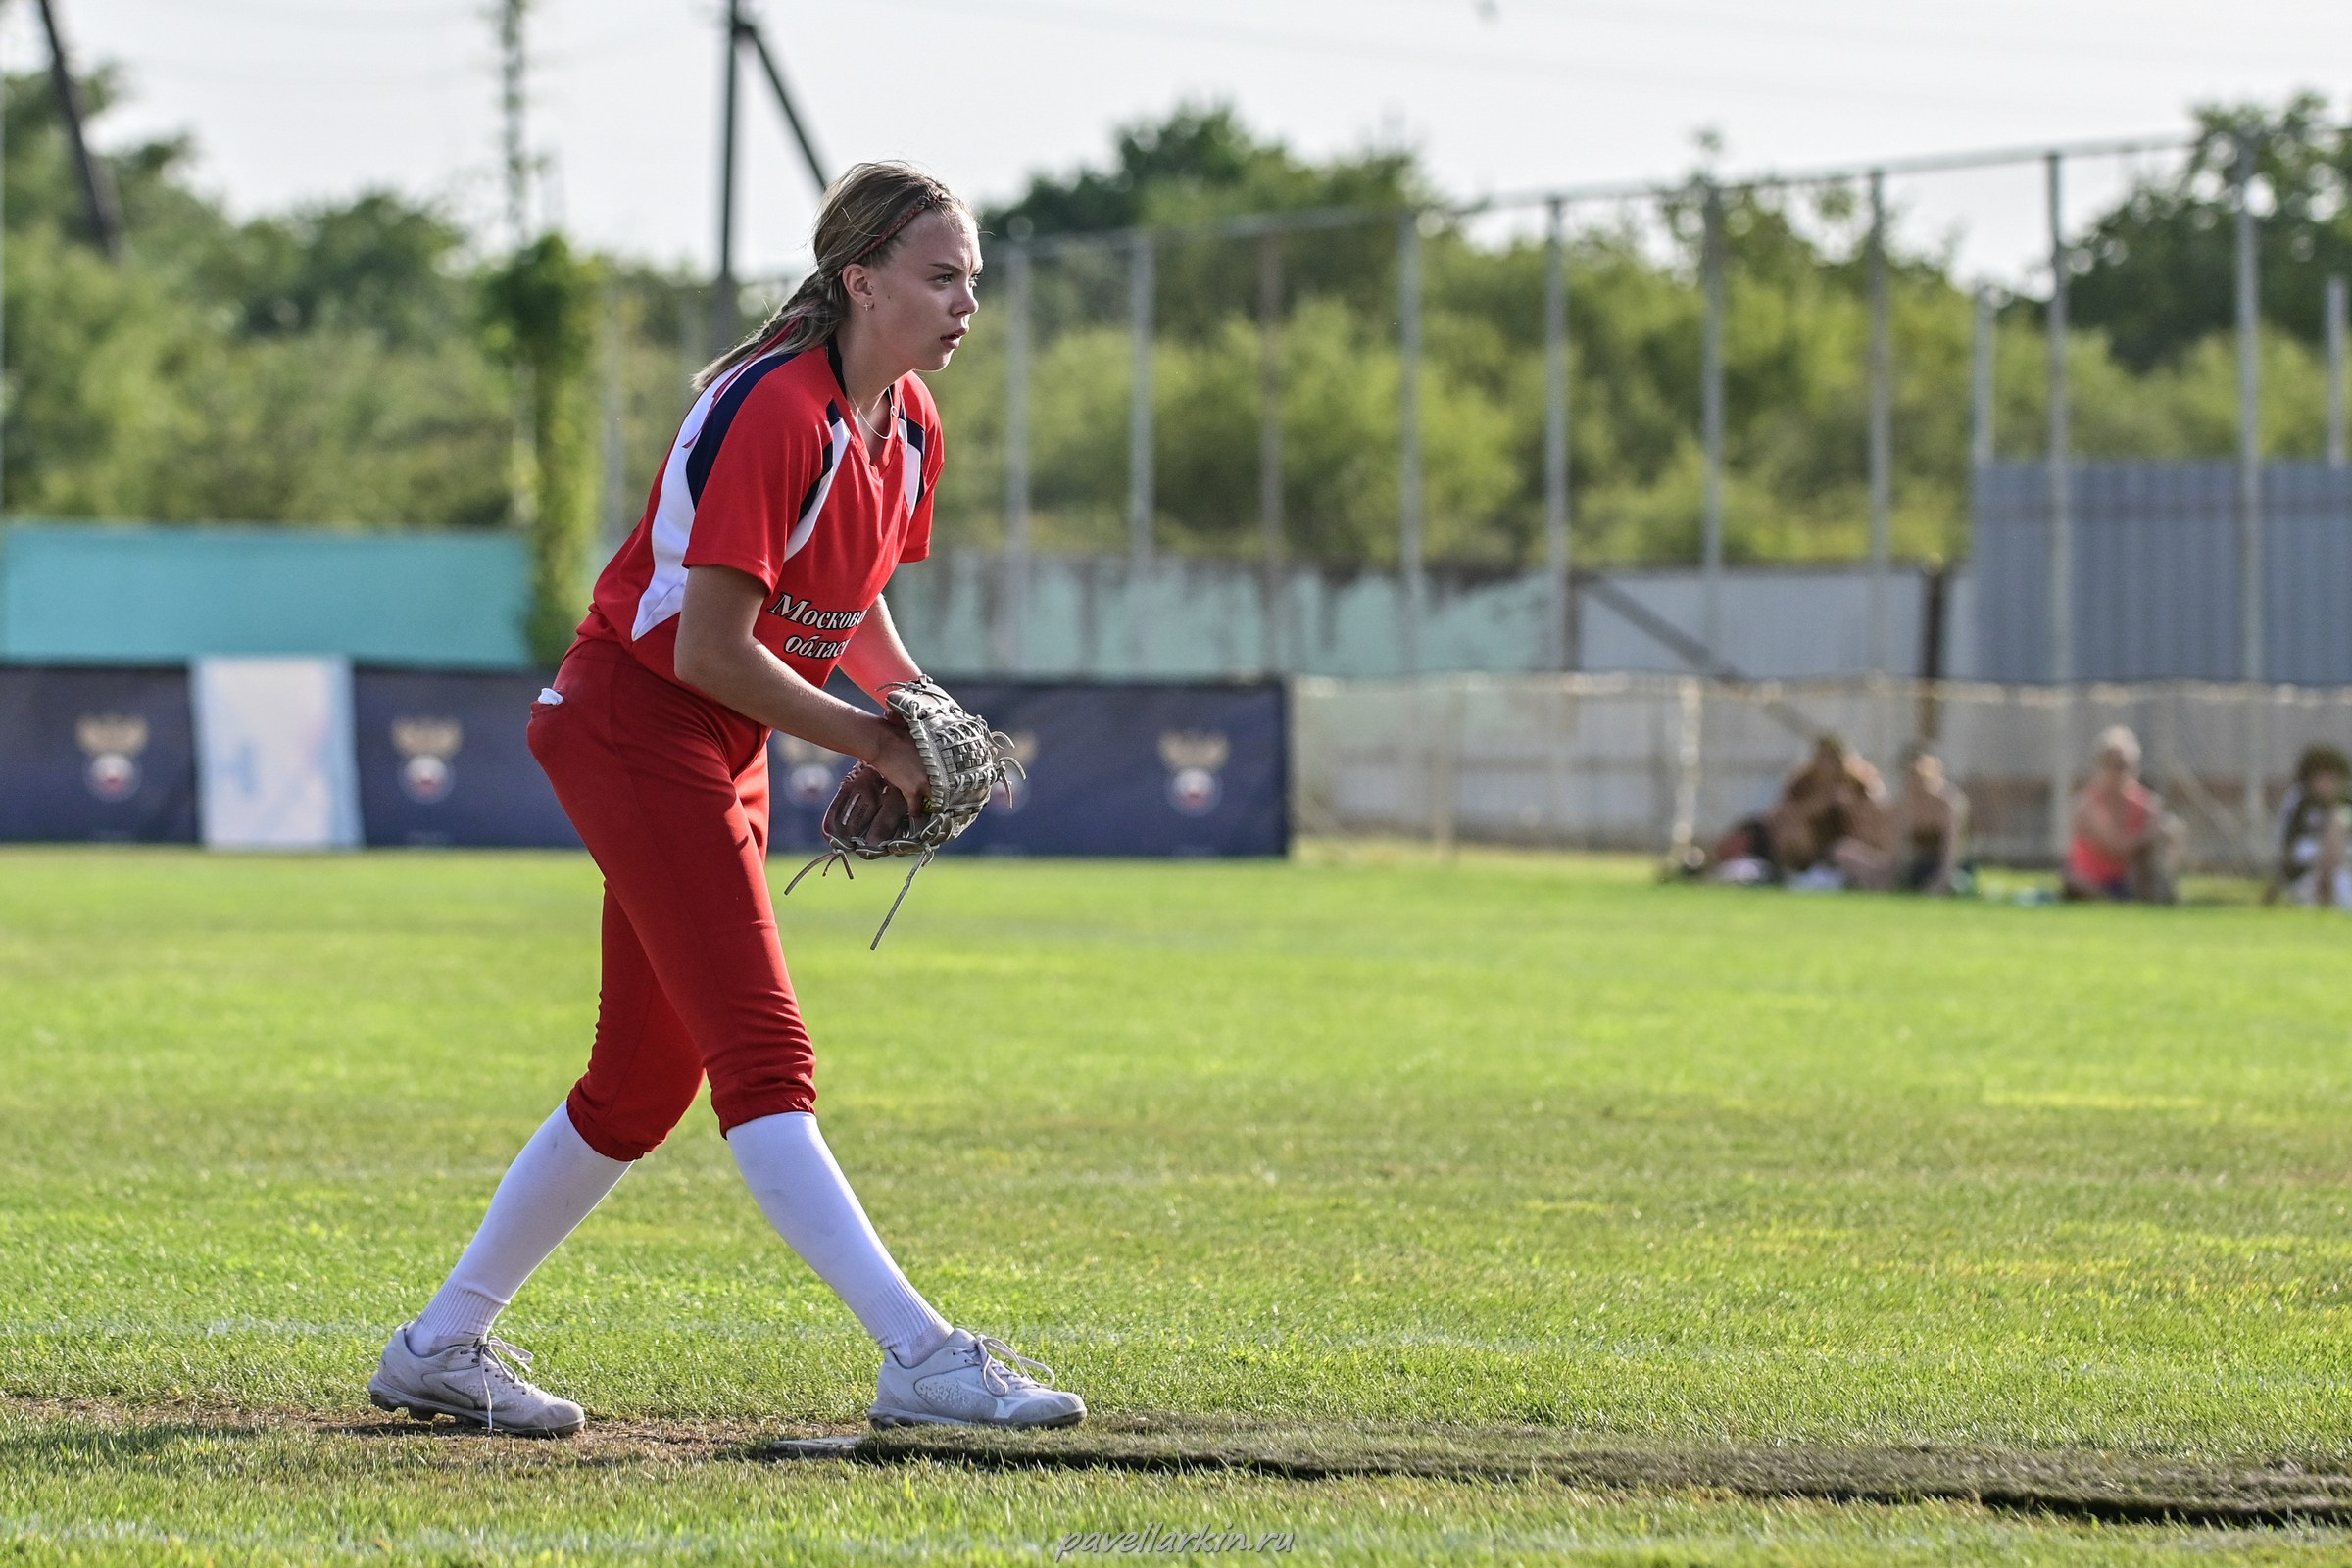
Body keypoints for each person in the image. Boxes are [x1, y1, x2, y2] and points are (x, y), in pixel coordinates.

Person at [368, 165, 1085, 1438]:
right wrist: (875, 740)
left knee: (642, 1088)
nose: (966, 298)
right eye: (940, 274)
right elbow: (706, 648)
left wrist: (915, 706)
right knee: (765, 1060)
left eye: (973, 275)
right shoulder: (778, 409)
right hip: (635, 720)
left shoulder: (906, 423)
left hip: (717, 742)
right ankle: (921, 1357)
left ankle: (440, 1346)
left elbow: (848, 599)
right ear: (860, 280)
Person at [2062, 725, 2180, 904]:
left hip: (2128, 879)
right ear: (2099, 766)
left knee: (2170, 833)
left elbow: (2164, 835)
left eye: (2123, 767)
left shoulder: (2145, 803)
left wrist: (2165, 838)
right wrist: (2149, 836)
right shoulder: (2086, 806)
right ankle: (2111, 900)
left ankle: (2153, 893)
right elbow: (2117, 849)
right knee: (2074, 881)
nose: (2118, 773)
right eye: (2111, 765)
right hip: (2093, 880)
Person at [2267, 744, 2352, 908]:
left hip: (2344, 874)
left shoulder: (2347, 804)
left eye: (2333, 779)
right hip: (2306, 876)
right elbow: (2287, 848)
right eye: (2321, 778)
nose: (2327, 784)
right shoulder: (2299, 804)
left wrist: (2335, 813)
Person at [1890, 743, 1971, 895]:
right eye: (1909, 774)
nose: (1913, 780)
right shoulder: (1904, 805)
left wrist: (1940, 880)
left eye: (1918, 775)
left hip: (1951, 867)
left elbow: (1952, 850)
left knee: (1956, 884)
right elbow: (1899, 848)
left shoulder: (1949, 803)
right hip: (1921, 866)